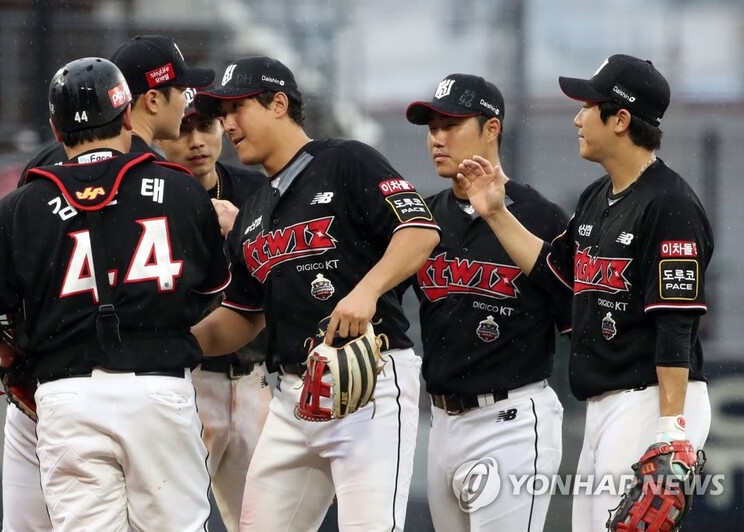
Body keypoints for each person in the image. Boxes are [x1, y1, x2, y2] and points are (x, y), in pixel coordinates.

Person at [0, 57, 230, 531]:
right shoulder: (181, 189)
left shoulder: (21, 205)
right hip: (159, 387)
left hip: (66, 394)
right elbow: (212, 289)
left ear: (56, 131)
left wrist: (9, 351)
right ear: (126, 119)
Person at [457, 54, 713, 531]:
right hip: (605, 401)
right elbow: (558, 275)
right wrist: (495, 213)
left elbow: (675, 324)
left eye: (588, 106)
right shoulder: (599, 196)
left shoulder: (670, 204)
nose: (576, 117)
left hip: (651, 398)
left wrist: (670, 428)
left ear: (620, 119)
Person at [190, 56, 441, 531]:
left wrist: (366, 291)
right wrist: (175, 342)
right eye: (221, 112)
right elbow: (242, 316)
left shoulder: (345, 161)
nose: (227, 123)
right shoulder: (254, 210)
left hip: (368, 385)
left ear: (279, 103)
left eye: (236, 108)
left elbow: (419, 230)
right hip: (291, 399)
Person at [401, 74, 570, 531]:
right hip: (440, 424)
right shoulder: (422, 216)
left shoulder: (538, 216)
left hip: (511, 420)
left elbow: (575, 315)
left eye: (450, 124)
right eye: (431, 126)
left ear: (491, 129)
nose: (437, 137)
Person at [156, 100, 271, 531]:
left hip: (253, 380)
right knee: (174, 521)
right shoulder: (151, 194)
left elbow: (283, 273)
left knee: (263, 523)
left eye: (205, 126)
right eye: (183, 130)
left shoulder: (252, 188)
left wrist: (242, 230)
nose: (197, 141)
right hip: (188, 380)